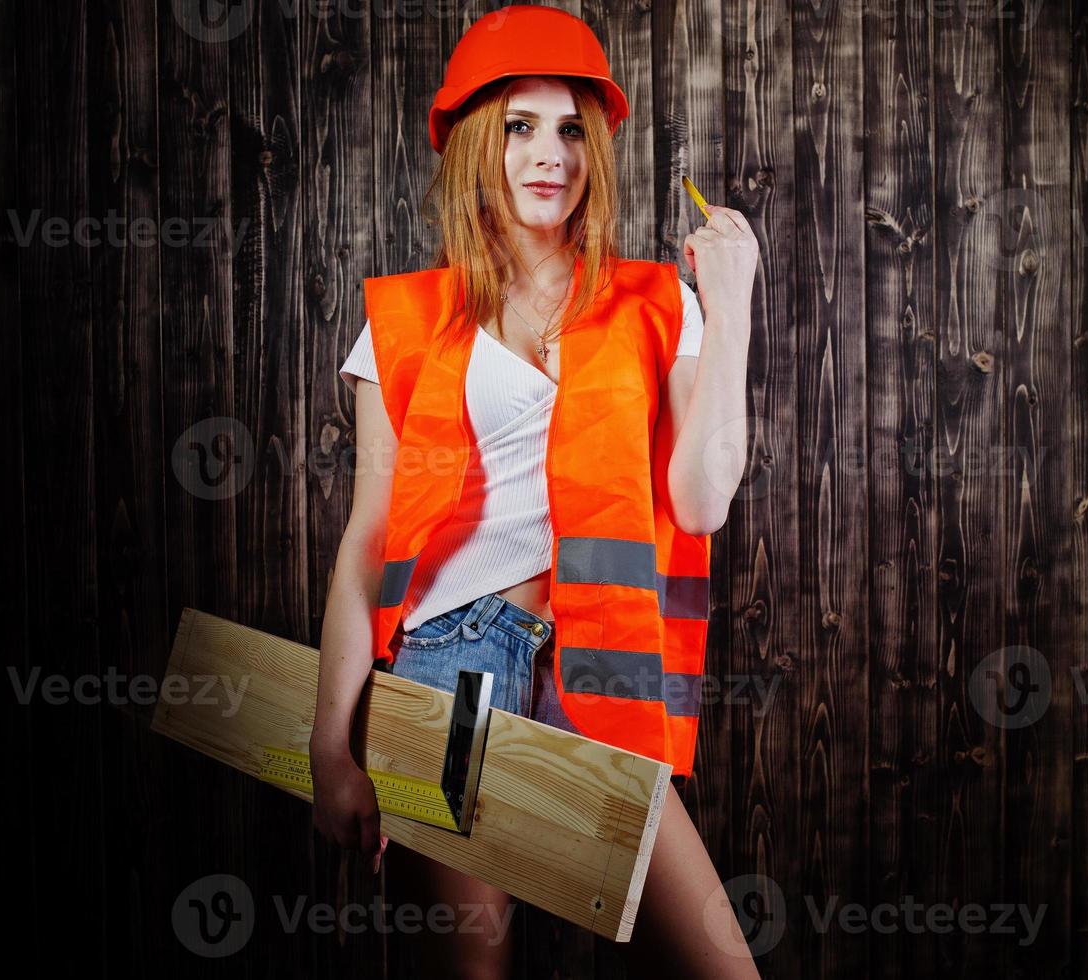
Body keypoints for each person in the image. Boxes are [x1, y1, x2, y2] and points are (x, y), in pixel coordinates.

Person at [310, 7, 759, 978]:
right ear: (479, 141)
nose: (548, 153)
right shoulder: (408, 318)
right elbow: (366, 540)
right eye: (520, 126)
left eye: (569, 129)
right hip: (453, 668)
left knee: (725, 962)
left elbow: (705, 500)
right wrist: (328, 745)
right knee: (477, 968)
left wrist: (735, 305)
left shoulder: (652, 301)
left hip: (597, 662)